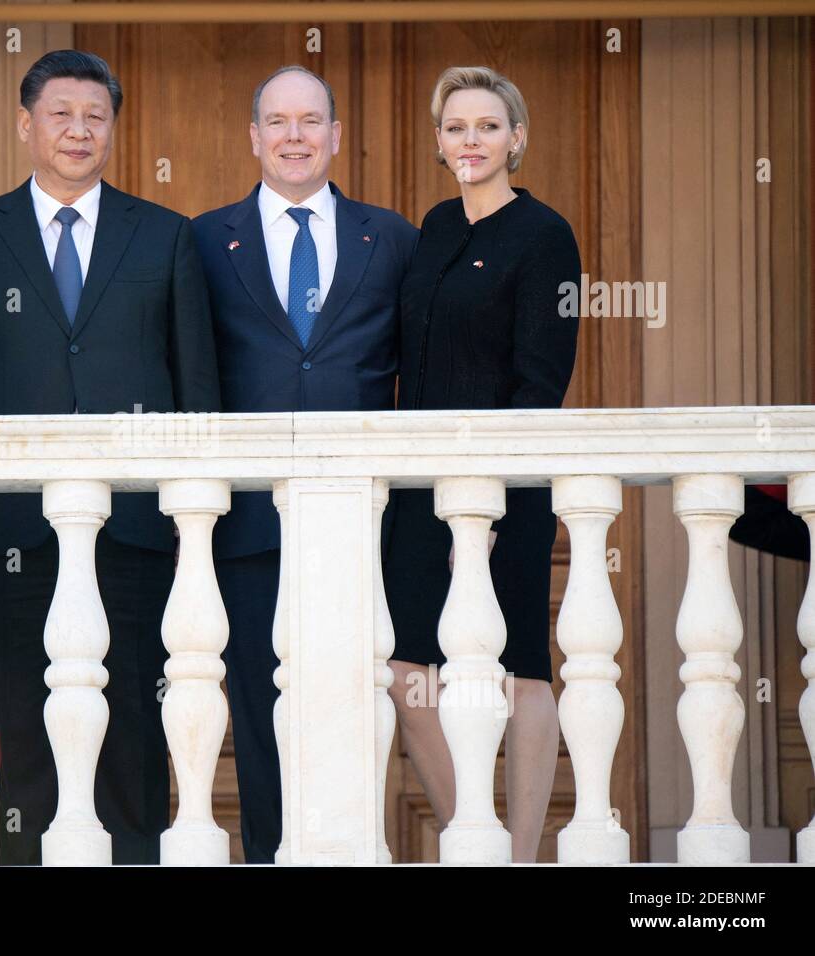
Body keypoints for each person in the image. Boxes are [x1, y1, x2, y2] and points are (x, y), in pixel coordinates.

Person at [0, 49, 220, 865]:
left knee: (131, 722)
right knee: (26, 722)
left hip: (135, 530)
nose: (78, 130)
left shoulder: (165, 236)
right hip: (20, 532)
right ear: (26, 125)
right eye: (60, 113)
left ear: (113, 130)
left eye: (95, 116)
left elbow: (197, 392)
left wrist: (187, 525)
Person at [191, 65, 417, 863]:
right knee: (258, 706)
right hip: (247, 524)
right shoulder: (204, 240)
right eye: (278, 122)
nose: (295, 136)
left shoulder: (389, 237)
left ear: (335, 136)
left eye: (311, 121)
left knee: (356, 703)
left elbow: (413, 378)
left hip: (362, 521)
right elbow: (193, 376)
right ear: (254, 136)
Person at [383, 66, 581, 862]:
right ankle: (474, 837)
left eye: (489, 126)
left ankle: (524, 853)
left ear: (517, 139)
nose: (472, 140)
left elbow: (543, 381)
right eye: (458, 127)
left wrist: (494, 499)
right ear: (439, 142)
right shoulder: (431, 228)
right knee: (408, 668)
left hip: (509, 486)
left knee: (522, 665)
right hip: (421, 490)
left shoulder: (545, 236)